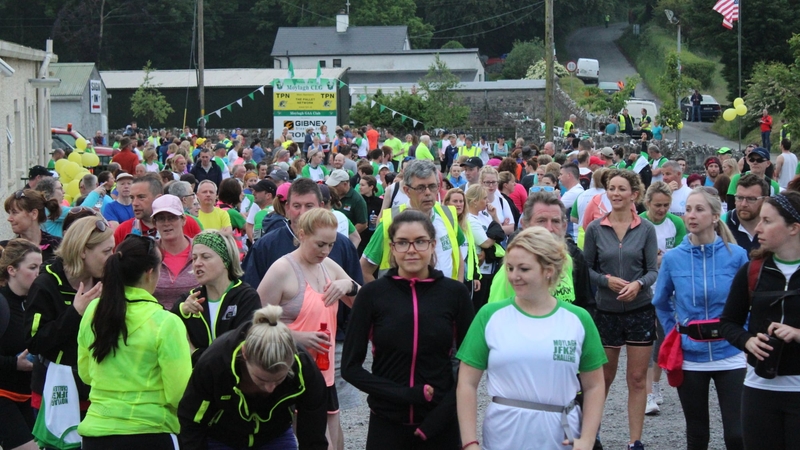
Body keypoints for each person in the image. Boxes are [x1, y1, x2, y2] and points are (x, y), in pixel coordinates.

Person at [457, 226, 606, 450]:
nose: (514, 276)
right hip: (504, 434)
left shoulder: (578, 319)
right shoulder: (489, 316)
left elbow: (594, 385)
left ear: (548, 270)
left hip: (561, 434)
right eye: (509, 268)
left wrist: (587, 439)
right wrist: (469, 443)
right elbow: (466, 383)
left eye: (524, 269)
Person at [342, 210, 474, 449]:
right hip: (387, 422)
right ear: (392, 248)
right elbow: (351, 368)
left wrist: (442, 414)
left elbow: (470, 368)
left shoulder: (455, 294)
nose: (411, 250)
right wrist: (404, 395)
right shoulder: (373, 295)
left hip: (440, 424)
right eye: (403, 242)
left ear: (433, 245)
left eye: (420, 241)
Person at [652, 187, 747, 449]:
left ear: (716, 216)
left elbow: (750, 300)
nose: (691, 215)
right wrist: (676, 332)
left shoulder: (737, 256)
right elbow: (660, 301)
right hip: (691, 355)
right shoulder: (673, 259)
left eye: (699, 209)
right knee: (697, 433)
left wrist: (743, 333)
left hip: (730, 353)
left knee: (737, 434)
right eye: (688, 210)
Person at [75, 234, 191, 448]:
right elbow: (179, 393)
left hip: (96, 433)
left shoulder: (93, 311)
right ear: (150, 273)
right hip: (151, 431)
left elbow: (86, 373)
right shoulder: (166, 322)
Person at [258, 208, 360, 450]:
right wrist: (295, 336)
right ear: (302, 235)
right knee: (300, 440)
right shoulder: (282, 270)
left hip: (323, 372)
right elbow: (254, 322)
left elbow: (365, 305)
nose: (325, 251)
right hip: (288, 373)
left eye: (331, 245)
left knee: (333, 440)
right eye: (320, 244)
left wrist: (349, 285)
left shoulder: (329, 266)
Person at [178, 304, 328, 448]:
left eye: (279, 380)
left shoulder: (305, 368)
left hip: (275, 435)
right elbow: (191, 421)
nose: (270, 388)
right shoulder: (214, 364)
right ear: (245, 354)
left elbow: (313, 432)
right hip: (222, 438)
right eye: (261, 379)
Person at [583, 169, 658, 450]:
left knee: (637, 378)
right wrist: (606, 280)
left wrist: (638, 284)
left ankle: (635, 441)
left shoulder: (646, 229)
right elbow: (586, 269)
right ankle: (594, 435)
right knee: (603, 377)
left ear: (634, 195)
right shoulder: (595, 228)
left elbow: (652, 271)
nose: (615, 193)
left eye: (621, 189)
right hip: (607, 310)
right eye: (611, 188)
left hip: (639, 309)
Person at [720, 191, 800, 450]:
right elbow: (728, 322)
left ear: (793, 228)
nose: (758, 228)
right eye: (760, 220)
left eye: (767, 221)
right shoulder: (752, 269)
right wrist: (748, 341)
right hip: (759, 389)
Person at [24, 216, 114, 421]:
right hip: (56, 390)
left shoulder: (108, 279)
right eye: (106, 252)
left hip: (100, 391)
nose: (112, 257)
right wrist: (75, 313)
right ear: (83, 251)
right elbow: (35, 342)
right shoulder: (46, 283)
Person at [360, 160, 465, 283]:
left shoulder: (448, 215)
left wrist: (457, 290)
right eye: (420, 188)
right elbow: (364, 269)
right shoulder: (390, 223)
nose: (428, 193)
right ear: (407, 191)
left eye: (432, 186)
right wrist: (384, 300)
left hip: (446, 299)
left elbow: (458, 258)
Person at [172, 230, 260, 365]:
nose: (197, 263)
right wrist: (181, 311)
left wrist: (194, 353)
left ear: (226, 261)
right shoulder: (189, 300)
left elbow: (239, 352)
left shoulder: (246, 298)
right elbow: (168, 333)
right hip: (196, 383)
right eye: (194, 258)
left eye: (205, 257)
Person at [0, 239, 42, 450]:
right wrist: (13, 363)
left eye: (40, 268)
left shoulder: (36, 303)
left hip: (28, 396)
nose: (38, 274)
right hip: (3, 394)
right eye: (32, 267)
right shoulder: (2, 303)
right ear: (12, 270)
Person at [148, 195, 198, 310]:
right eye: (161, 218)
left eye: (171, 218)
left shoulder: (199, 251)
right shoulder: (148, 253)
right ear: (155, 223)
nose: (166, 223)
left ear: (183, 220)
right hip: (156, 324)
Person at [2, 189, 61, 262]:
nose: (9, 218)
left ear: (34, 214)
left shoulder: (58, 246)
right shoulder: (5, 249)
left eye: (14, 212)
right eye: (9, 213)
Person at [725, 174, 768, 254]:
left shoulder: (773, 227)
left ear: (764, 200)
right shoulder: (722, 224)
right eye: (740, 198)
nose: (743, 204)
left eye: (751, 199)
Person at [480, 167, 515, 235]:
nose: (491, 185)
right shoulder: (475, 202)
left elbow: (511, 228)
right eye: (487, 182)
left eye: (494, 182)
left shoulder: (502, 201)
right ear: (481, 183)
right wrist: (501, 227)